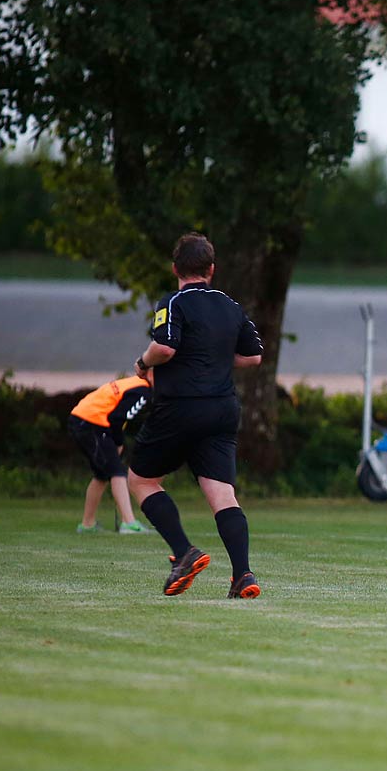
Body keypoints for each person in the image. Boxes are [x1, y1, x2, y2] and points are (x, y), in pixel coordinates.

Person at [128, 232, 265, 598]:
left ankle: (184, 552)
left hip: (180, 406)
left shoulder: (172, 303)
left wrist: (142, 364)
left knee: (141, 480)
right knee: (222, 494)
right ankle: (243, 576)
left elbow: (164, 347)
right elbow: (253, 357)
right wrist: (217, 358)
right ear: (211, 270)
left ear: (175, 268)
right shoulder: (230, 306)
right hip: (221, 409)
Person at [67, 369, 152, 534]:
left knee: (102, 474)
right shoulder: (143, 391)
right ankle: (129, 523)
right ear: (151, 374)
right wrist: (118, 443)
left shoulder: (135, 383)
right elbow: (117, 418)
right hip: (92, 422)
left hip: (82, 419)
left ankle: (87, 525)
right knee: (117, 471)